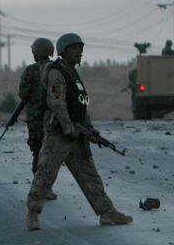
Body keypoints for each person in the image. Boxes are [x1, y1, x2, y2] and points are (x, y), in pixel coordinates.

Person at [26, 33, 132, 230]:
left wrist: (90, 130)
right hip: (59, 134)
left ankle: (107, 212)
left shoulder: (72, 73)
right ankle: (32, 214)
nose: (79, 51)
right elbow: (57, 103)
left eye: (80, 48)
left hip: (76, 133)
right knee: (45, 175)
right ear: (64, 51)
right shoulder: (57, 73)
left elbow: (80, 105)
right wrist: (68, 128)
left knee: (90, 176)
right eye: (75, 48)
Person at [18, 38, 58, 200]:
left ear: (36, 53)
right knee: (51, 153)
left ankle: (39, 186)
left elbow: (23, 94)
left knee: (37, 152)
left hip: (35, 118)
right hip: (54, 117)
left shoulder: (30, 71)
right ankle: (46, 188)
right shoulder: (57, 69)